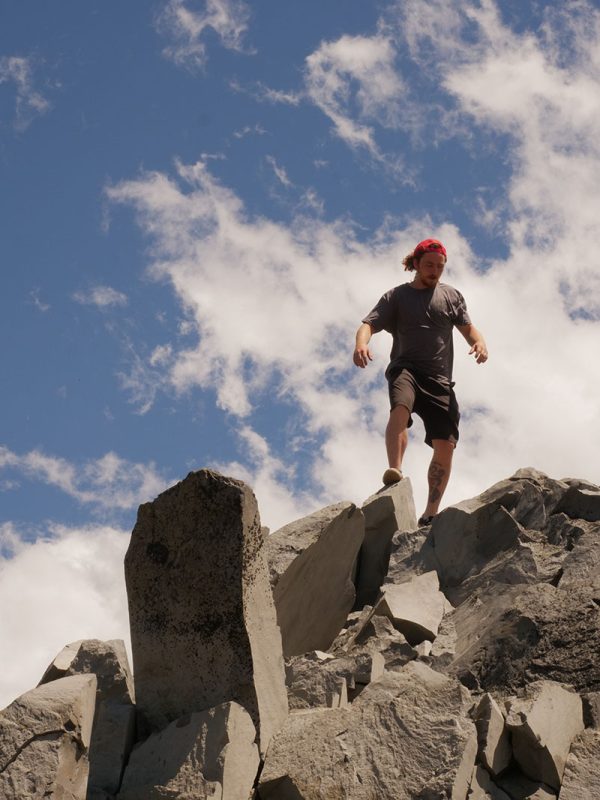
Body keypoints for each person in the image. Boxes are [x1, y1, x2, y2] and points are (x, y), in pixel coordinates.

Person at [353, 238, 488, 526]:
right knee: (400, 408)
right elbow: (368, 325)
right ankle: (395, 471)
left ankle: (430, 513)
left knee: (446, 443)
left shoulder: (451, 296)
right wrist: (361, 344)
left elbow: (469, 330)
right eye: (428, 265)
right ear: (415, 264)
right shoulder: (397, 297)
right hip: (407, 369)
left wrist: (479, 344)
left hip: (440, 379)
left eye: (439, 266)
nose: (434, 271)